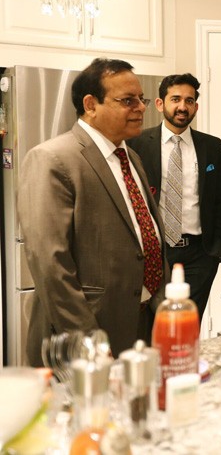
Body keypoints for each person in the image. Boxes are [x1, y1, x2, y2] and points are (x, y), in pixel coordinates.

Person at [18, 58, 169, 366]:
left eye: (140, 99)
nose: (141, 107)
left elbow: (144, 235)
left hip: (138, 323)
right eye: (128, 101)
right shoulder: (52, 159)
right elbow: (51, 264)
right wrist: (89, 342)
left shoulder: (131, 157)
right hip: (84, 336)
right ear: (91, 104)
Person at [128, 73, 221, 321]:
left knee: (188, 325)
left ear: (195, 106)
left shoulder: (212, 146)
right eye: (175, 99)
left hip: (200, 255)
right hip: (155, 253)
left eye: (189, 100)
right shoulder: (137, 144)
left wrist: (217, 251)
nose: (182, 106)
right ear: (160, 103)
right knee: (154, 324)